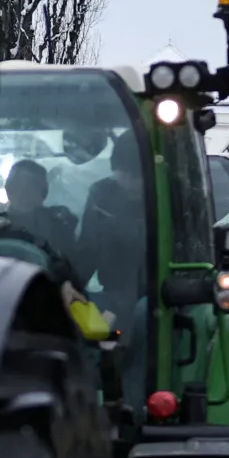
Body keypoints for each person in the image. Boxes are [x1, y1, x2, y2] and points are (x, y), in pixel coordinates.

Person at [75, 131, 146, 323]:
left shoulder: (168, 198)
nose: (131, 181)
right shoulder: (101, 196)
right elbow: (87, 250)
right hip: (111, 297)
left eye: (138, 174)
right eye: (124, 173)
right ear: (115, 168)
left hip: (159, 300)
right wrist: (72, 288)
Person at [0, 159, 82, 279]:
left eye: (31, 187)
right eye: (17, 186)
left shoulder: (57, 223)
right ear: (8, 190)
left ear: (43, 193)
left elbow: (71, 267)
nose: (23, 193)